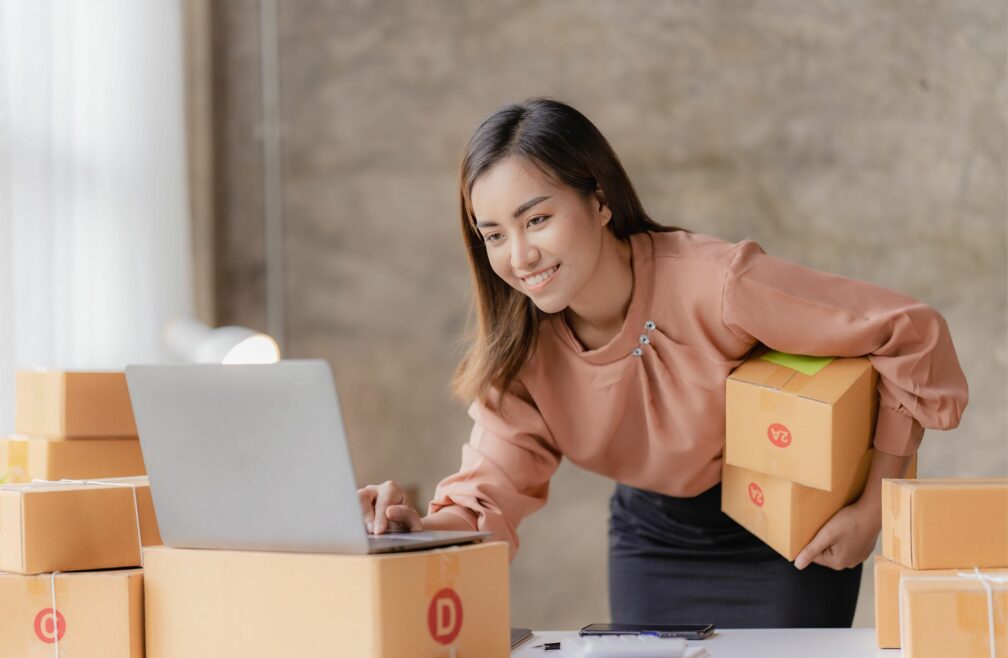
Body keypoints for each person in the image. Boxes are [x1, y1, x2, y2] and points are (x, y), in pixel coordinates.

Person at [357, 97, 969, 627]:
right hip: (651, 539)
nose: (519, 256)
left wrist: (873, 509)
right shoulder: (521, 351)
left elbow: (910, 333)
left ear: (599, 201)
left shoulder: (717, 285)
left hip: (786, 530)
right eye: (493, 234)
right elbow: (486, 497)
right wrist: (413, 530)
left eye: (536, 219)